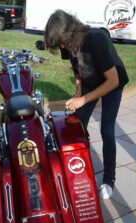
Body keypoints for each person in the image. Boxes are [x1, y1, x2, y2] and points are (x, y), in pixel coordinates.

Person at [44, 10, 129, 199]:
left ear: (71, 31)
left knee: (107, 130)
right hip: (90, 81)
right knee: (77, 125)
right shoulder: (66, 43)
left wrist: (83, 99)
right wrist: (77, 94)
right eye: (60, 45)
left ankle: (109, 180)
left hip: (112, 83)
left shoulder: (96, 39)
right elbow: (76, 69)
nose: (63, 47)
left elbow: (112, 81)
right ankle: (77, 166)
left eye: (63, 43)